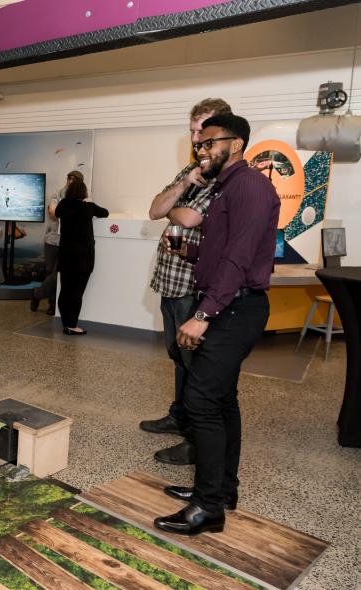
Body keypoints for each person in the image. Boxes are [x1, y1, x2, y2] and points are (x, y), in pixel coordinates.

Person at [154, 114, 279, 536]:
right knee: (222, 401)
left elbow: (239, 258)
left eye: (209, 144)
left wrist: (203, 315)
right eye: (200, 146)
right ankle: (221, 489)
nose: (202, 151)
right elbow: (223, 249)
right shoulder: (227, 186)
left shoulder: (249, 186)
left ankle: (208, 508)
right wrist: (191, 254)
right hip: (230, 304)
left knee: (201, 401)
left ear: (237, 143)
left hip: (234, 310)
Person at [141, 99, 233, 466]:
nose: (196, 138)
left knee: (196, 364)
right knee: (178, 357)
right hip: (170, 280)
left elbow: (190, 218)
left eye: (203, 131)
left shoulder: (225, 175)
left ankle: (197, 438)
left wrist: (178, 205)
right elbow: (155, 209)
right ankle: (179, 416)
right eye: (192, 131)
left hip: (195, 286)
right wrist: (183, 183)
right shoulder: (192, 170)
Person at [55, 176, 108, 335]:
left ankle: (66, 323)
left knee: (65, 291)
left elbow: (56, 213)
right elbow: (105, 213)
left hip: (65, 254)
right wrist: (88, 201)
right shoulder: (88, 207)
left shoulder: (63, 205)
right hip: (83, 257)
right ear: (84, 192)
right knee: (77, 292)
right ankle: (72, 326)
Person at [31, 170, 82, 315]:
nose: (71, 181)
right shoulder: (57, 195)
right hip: (52, 241)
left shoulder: (82, 199)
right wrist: (71, 213)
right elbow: (53, 212)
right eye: (69, 178)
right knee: (50, 273)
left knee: (58, 273)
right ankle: (51, 304)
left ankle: (38, 294)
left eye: (74, 179)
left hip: (68, 243)